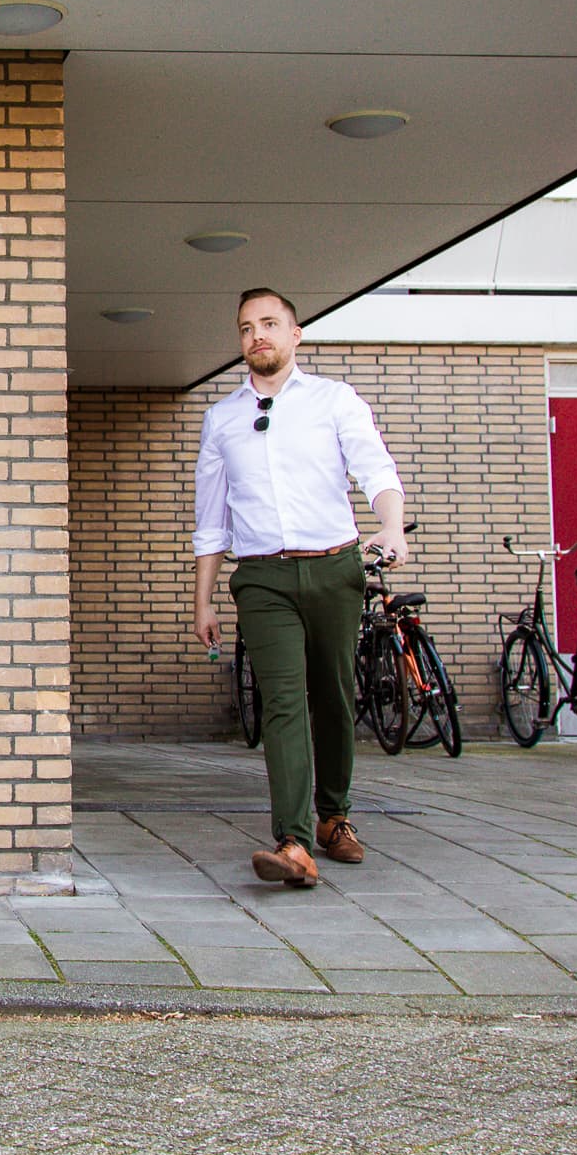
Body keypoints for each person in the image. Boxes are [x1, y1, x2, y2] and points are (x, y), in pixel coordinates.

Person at [191, 289, 408, 889]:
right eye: (245, 328)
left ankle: (334, 816)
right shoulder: (223, 418)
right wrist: (203, 599)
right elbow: (212, 518)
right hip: (262, 577)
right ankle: (293, 842)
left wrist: (390, 525)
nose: (256, 335)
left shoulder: (334, 401)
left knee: (334, 697)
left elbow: (376, 470)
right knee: (283, 703)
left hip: (335, 567)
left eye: (268, 324)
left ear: (295, 335)